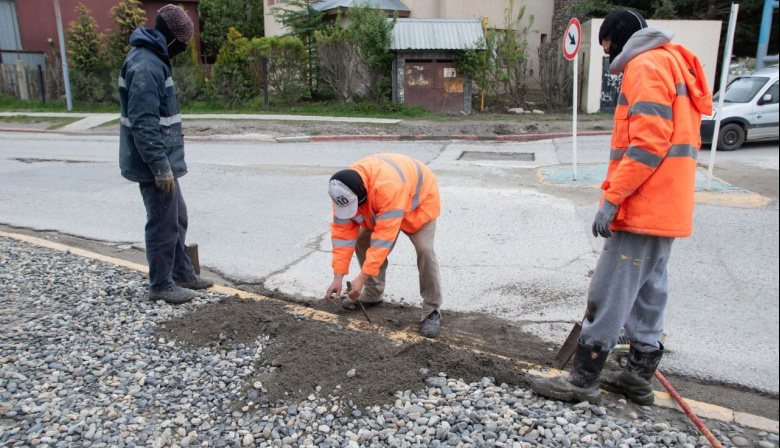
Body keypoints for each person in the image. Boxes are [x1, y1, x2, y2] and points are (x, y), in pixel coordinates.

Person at [531, 9, 712, 404]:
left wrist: (613, 198)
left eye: (607, 45)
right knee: (649, 292)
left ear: (619, 38)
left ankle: (582, 380)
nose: (608, 54)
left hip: (644, 204)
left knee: (610, 289)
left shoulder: (645, 66)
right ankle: (637, 376)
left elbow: (649, 142)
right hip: (669, 205)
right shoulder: (674, 63)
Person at [118, 5, 213, 304]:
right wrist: (160, 167)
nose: (183, 49)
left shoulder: (155, 58)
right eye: (182, 44)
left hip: (163, 161)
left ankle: (182, 273)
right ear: (170, 38)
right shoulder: (146, 65)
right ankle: (160, 284)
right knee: (162, 222)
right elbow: (144, 122)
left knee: (177, 216)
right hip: (153, 163)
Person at [325, 153, 443, 338]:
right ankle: (373, 294)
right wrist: (338, 277)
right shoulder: (342, 191)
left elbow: (382, 241)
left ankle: (431, 310)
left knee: (425, 250)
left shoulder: (388, 187)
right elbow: (342, 237)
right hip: (382, 203)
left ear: (362, 193)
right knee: (362, 241)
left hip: (417, 203)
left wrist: (361, 278)